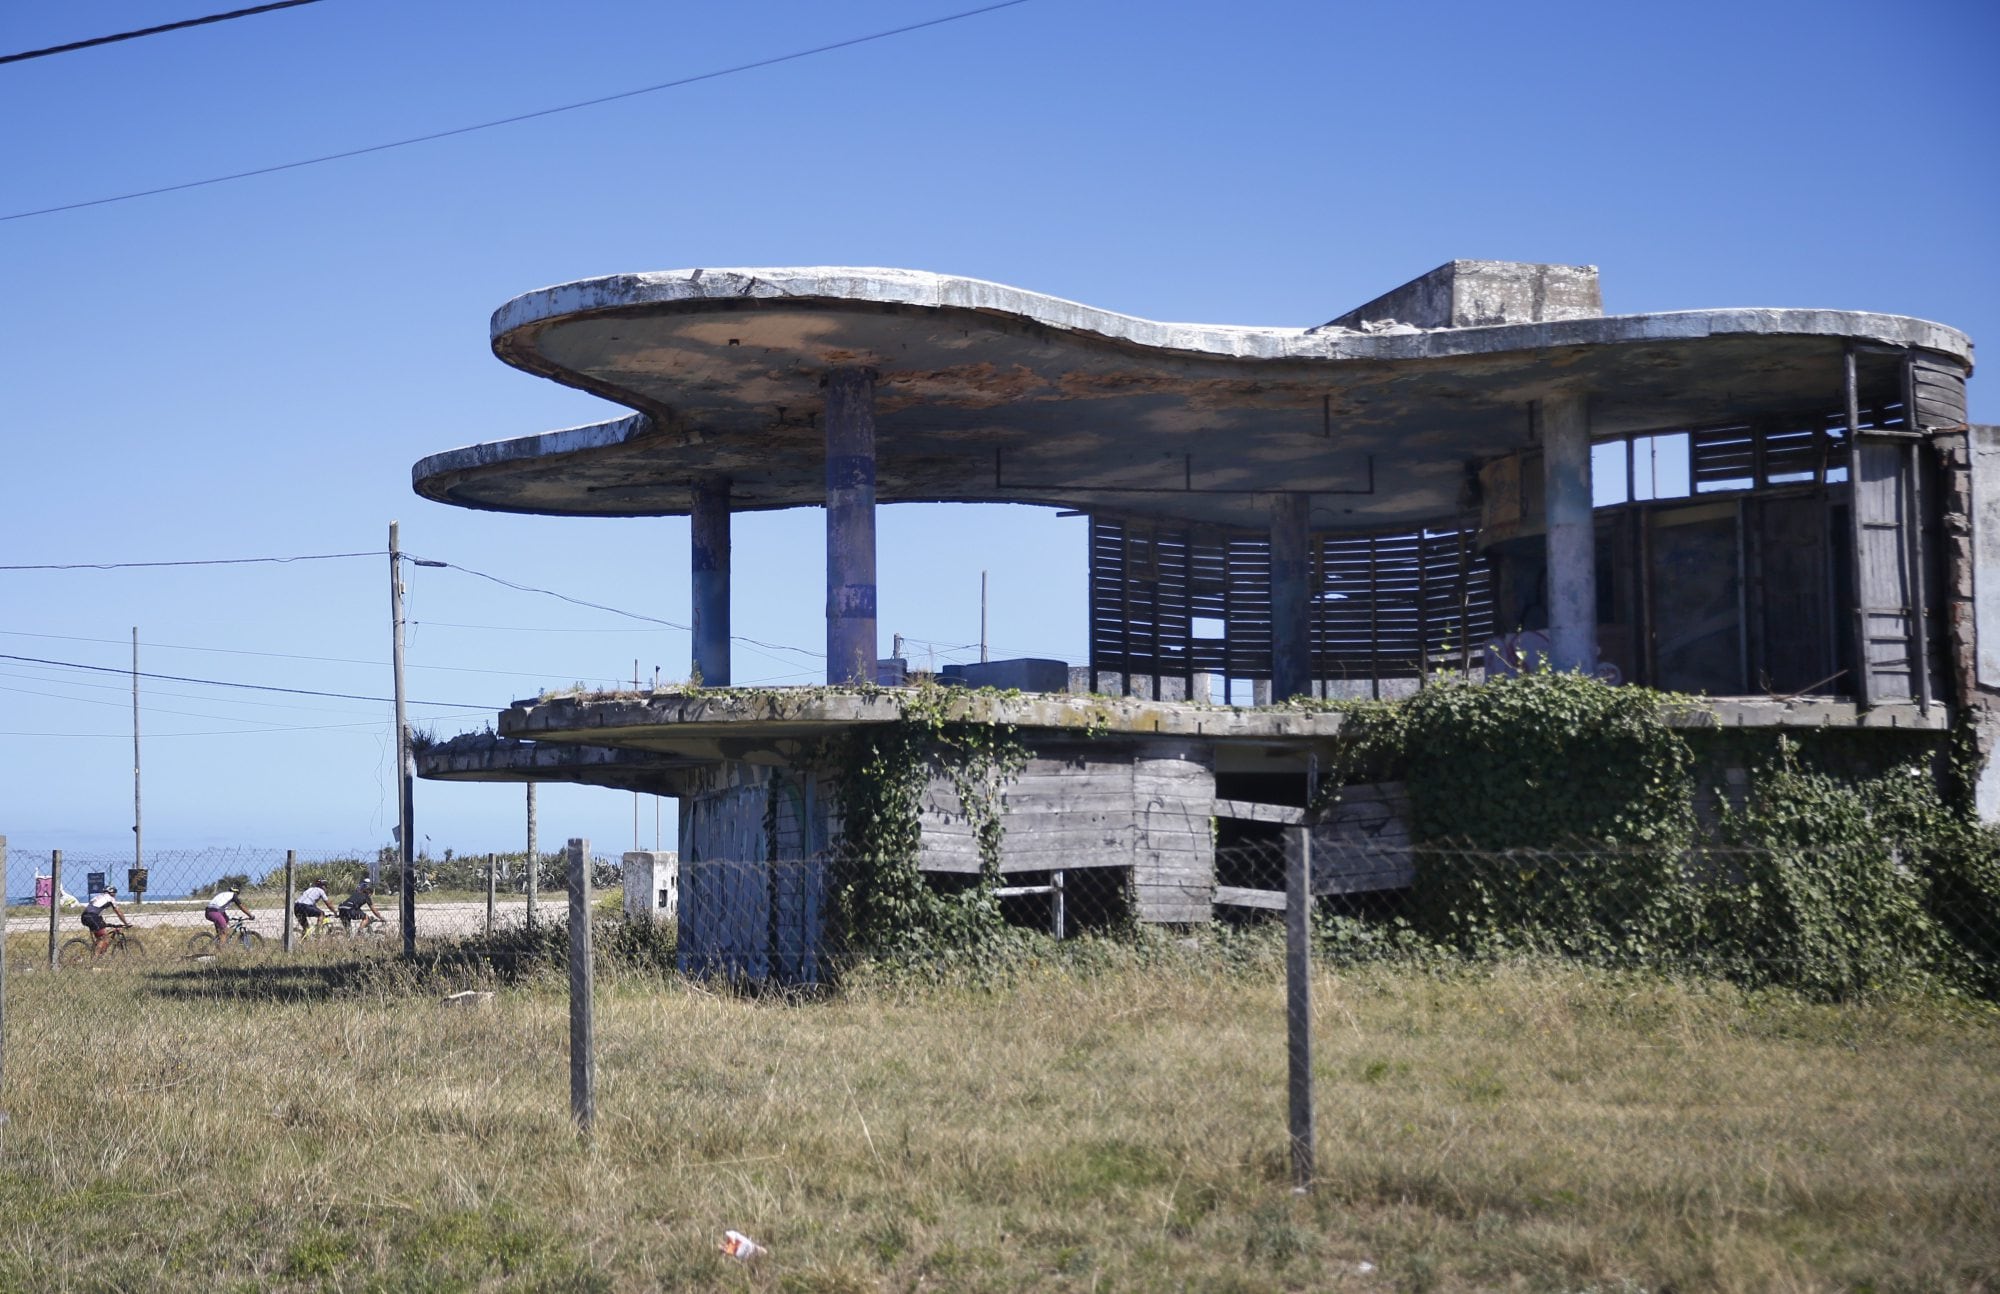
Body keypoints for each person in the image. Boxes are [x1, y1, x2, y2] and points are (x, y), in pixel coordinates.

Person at [79, 883, 130, 958]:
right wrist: (126, 923)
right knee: (104, 937)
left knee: (101, 934)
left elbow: (96, 910)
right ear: (112, 893)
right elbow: (118, 912)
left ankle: (98, 953)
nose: (115, 895)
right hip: (93, 916)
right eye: (115, 893)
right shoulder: (110, 898)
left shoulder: (98, 897)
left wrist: (105, 924)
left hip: (85, 916)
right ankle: (94, 959)